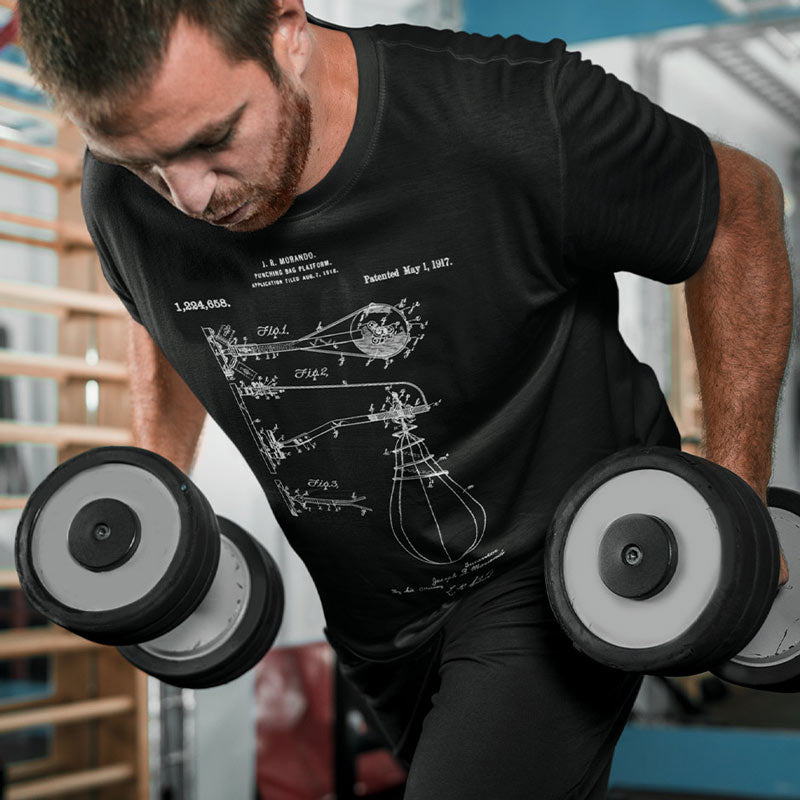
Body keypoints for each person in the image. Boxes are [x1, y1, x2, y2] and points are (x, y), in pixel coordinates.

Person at [17, 1, 792, 797]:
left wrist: (734, 506)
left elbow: (737, 207)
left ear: (286, 30)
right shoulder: (123, 196)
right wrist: (158, 493)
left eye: (212, 140)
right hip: (370, 619)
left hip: (555, 564)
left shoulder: (512, 116)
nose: (185, 198)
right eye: (144, 164)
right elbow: (165, 309)